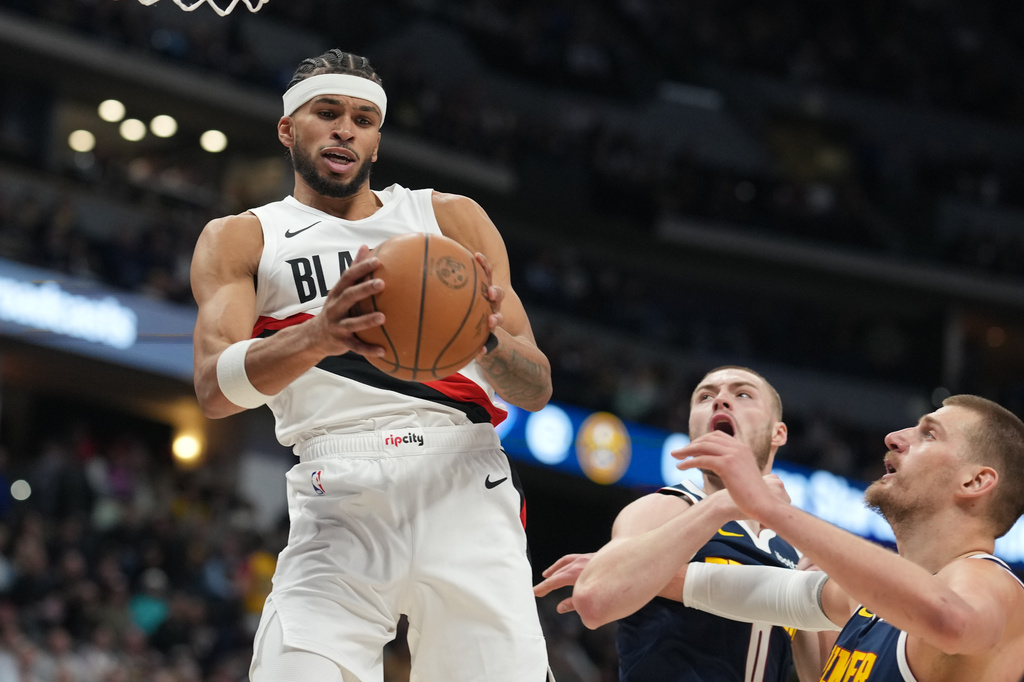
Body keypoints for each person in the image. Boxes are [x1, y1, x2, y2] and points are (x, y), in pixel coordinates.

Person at [190, 49, 554, 682]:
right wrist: (320, 335)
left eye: (363, 119)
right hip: (336, 490)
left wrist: (485, 342)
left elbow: (538, 385)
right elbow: (213, 388)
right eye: (326, 112)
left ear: (377, 143)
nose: (344, 129)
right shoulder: (245, 236)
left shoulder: (448, 219)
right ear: (287, 129)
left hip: (462, 480)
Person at [675, 394, 1024, 681]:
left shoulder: (993, 584)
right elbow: (697, 584)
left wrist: (771, 509)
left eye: (929, 434)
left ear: (975, 481)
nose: (894, 437)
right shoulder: (860, 601)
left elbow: (951, 619)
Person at [534, 365, 830, 681]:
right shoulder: (665, 507)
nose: (721, 401)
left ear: (777, 432)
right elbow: (594, 601)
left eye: (742, 394)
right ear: (691, 426)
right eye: (705, 396)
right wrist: (724, 504)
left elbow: (822, 673)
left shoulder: (794, 545)